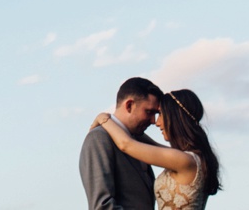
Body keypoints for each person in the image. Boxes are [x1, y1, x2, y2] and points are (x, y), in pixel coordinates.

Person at [91, 87, 222, 210]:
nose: (157, 122)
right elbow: (150, 145)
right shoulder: (190, 159)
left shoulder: (184, 161)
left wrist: (104, 119)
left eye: (160, 114)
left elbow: (126, 145)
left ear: (174, 117)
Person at [79, 77, 162, 210]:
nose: (153, 121)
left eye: (156, 114)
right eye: (149, 112)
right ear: (129, 105)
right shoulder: (99, 138)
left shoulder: (138, 141)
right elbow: (102, 206)